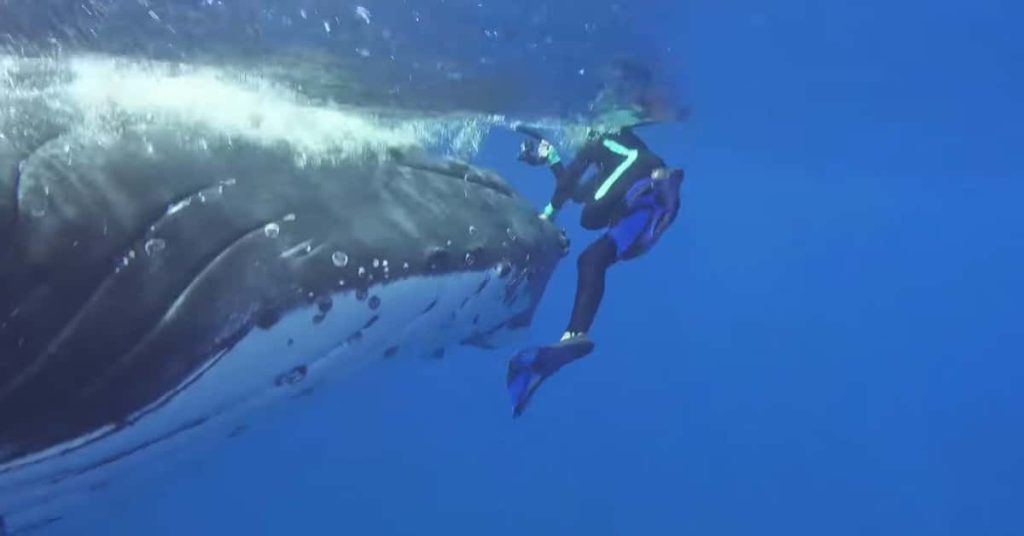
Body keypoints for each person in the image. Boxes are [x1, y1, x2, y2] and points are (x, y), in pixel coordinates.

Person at [506, 108, 685, 417]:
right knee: (591, 260)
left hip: (647, 189)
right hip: (646, 209)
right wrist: (552, 160)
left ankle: (662, 189)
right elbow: (577, 191)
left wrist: (547, 215)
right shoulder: (609, 168)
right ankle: (574, 335)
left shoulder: (603, 137)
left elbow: (573, 186)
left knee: (590, 220)